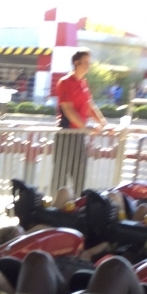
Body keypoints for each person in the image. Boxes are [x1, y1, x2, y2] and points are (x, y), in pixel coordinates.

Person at [52, 49, 112, 195]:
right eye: (85, 62)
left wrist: (105, 124)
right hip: (67, 133)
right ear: (76, 63)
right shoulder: (65, 82)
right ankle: (57, 207)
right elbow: (68, 110)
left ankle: (78, 206)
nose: (88, 65)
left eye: (89, 62)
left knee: (79, 173)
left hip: (79, 134)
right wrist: (86, 127)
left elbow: (91, 107)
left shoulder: (83, 83)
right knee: (61, 174)